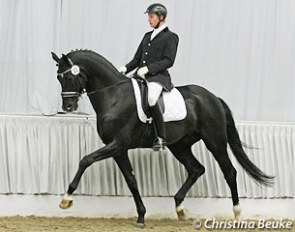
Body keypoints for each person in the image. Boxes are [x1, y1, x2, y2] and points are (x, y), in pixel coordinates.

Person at [118, 3, 179, 151]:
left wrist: (149, 69)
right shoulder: (147, 36)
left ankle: (160, 137)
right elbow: (137, 59)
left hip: (158, 77)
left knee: (152, 98)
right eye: (149, 17)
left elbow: (168, 60)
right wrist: (125, 68)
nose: (149, 20)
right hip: (140, 76)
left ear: (161, 17)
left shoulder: (171, 37)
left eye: (151, 17)